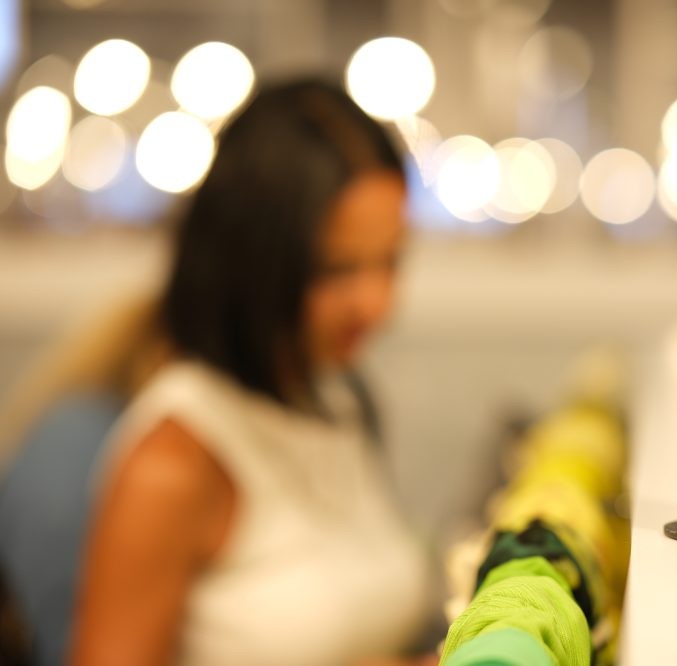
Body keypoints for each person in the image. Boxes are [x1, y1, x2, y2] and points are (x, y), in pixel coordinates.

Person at [56, 79, 433, 665]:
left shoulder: (334, 397)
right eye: (338, 270)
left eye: (391, 261)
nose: (378, 303)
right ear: (258, 259)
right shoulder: (173, 460)